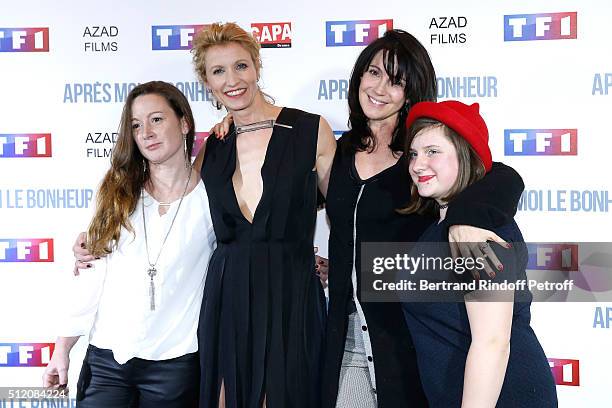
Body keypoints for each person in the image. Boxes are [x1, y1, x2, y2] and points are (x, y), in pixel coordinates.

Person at [319, 30, 525, 408]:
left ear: (412, 92)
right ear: (359, 77)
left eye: (396, 81)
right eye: (374, 73)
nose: (380, 87)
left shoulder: (423, 161)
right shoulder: (342, 150)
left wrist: (469, 217)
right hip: (346, 334)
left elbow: (502, 176)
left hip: (410, 344)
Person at [43, 81, 216, 407]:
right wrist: (62, 349)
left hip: (176, 366)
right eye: (136, 125)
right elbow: (92, 275)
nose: (146, 132)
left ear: (184, 123)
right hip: (108, 362)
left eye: (156, 119)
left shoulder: (213, 198)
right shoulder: (118, 193)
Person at [191, 22, 336, 408]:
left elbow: (346, 209)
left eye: (240, 66)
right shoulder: (212, 149)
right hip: (228, 296)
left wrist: (344, 266)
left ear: (257, 66)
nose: (232, 80)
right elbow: (172, 211)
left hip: (292, 293)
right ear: (207, 83)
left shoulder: (309, 130)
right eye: (218, 71)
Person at [400, 100, 557, 407]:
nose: (418, 164)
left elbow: (492, 342)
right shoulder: (440, 227)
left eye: (433, 151)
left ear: (465, 155)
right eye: (414, 154)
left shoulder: (479, 231)